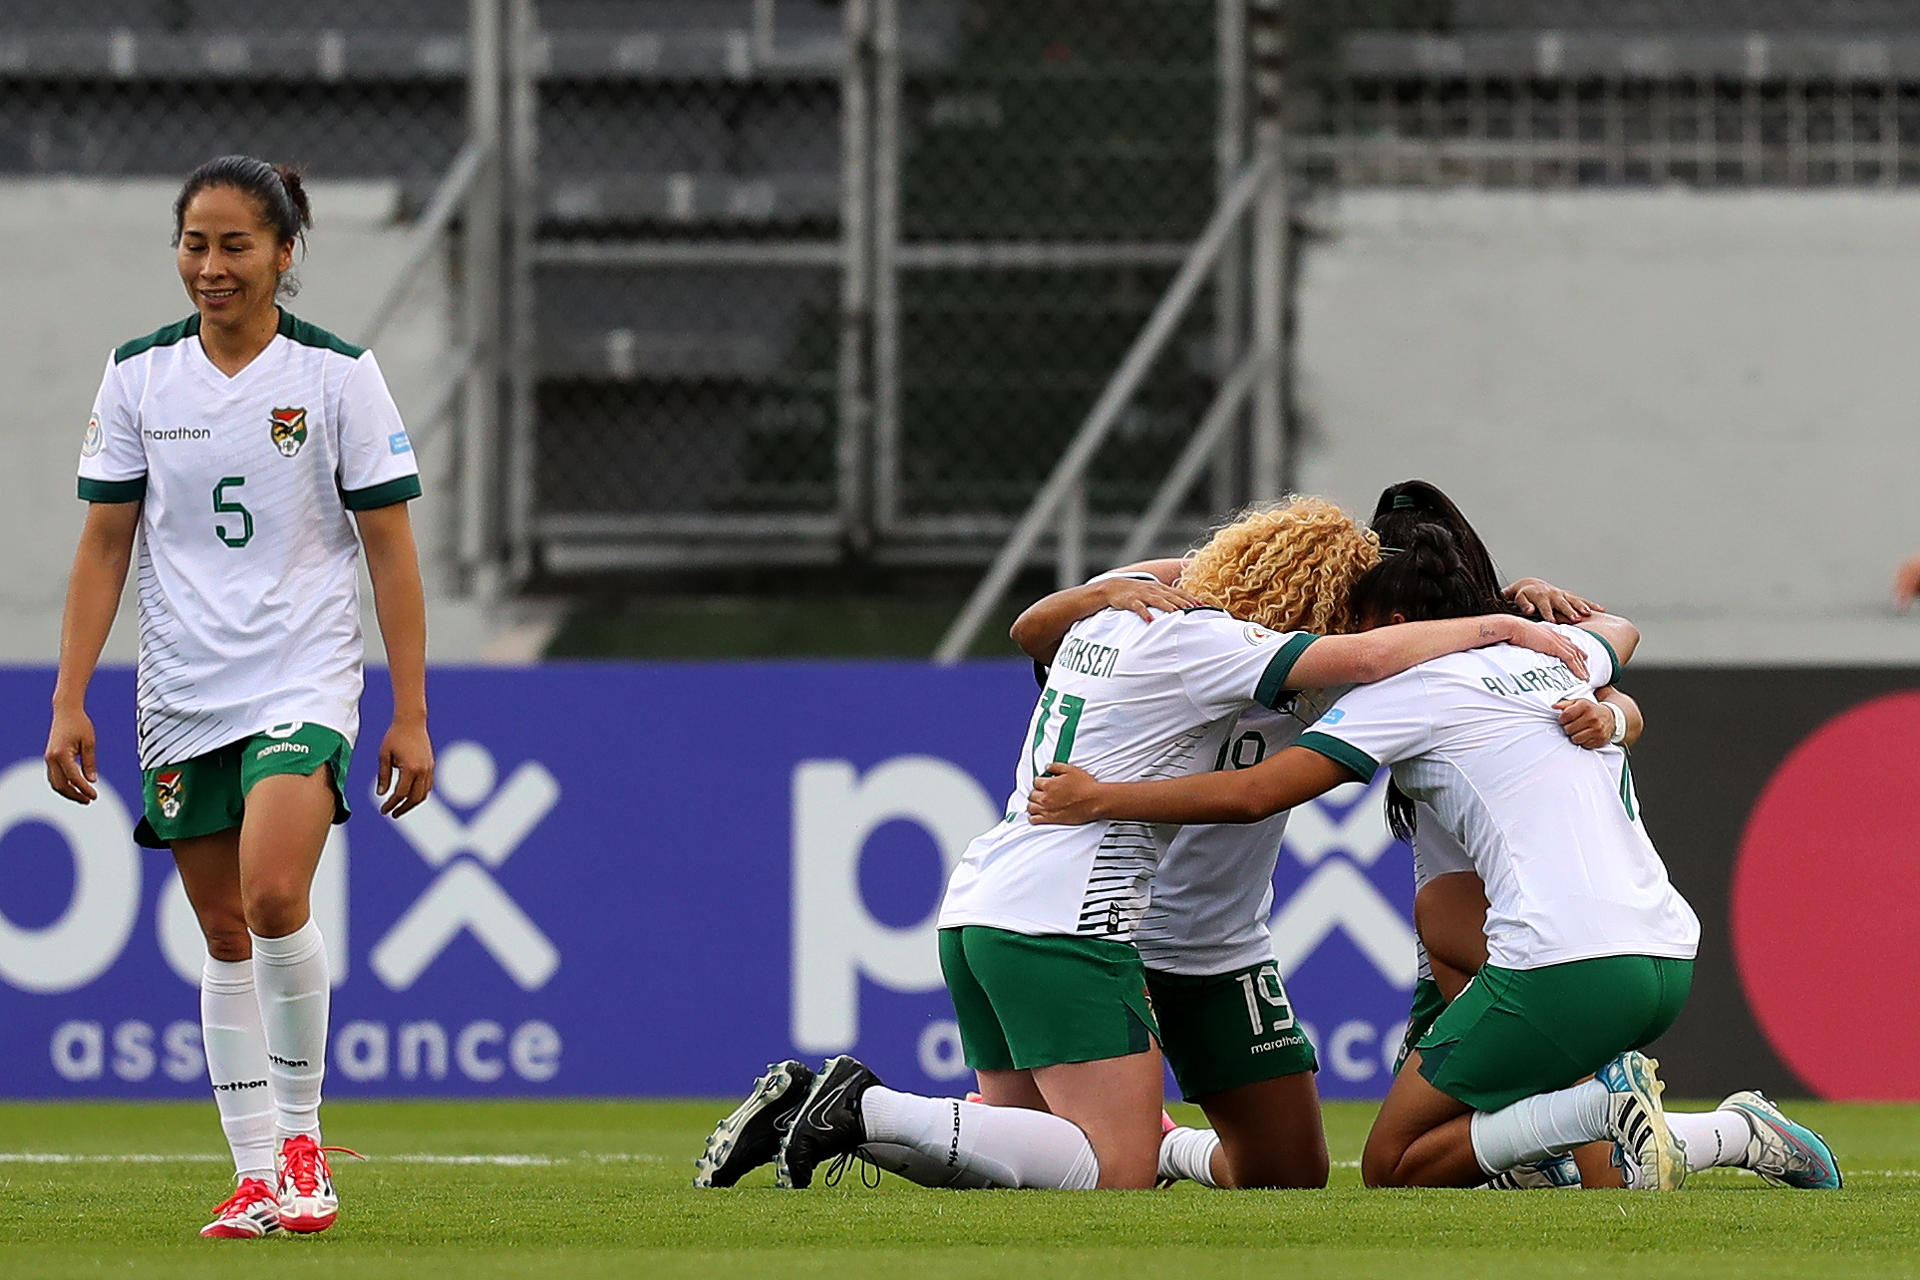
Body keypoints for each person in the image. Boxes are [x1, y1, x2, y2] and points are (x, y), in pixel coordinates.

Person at [696, 498, 1589, 1192]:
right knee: (1106, 1168)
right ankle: (863, 1104)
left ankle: (832, 1115)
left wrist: (1092, 591)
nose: (1358, 626)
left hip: (1003, 906)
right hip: (1076, 917)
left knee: (1027, 1161)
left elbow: (1031, 628)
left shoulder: (1139, 612)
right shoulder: (1212, 644)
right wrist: (1501, 628)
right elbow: (1348, 671)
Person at [1028, 523, 1841, 1191]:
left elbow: (1258, 793)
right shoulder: (1540, 657)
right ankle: (1675, 1133)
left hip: (1559, 961)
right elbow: (1618, 634)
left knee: (1396, 1164)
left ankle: (1649, 1118)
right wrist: (1599, 691)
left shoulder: (1394, 692)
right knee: (1508, 1099)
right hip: (1665, 950)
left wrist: (1102, 797)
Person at [44, 155, 435, 1239]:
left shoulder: (337, 378)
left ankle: (305, 1140)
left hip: (301, 674)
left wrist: (409, 708)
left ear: (283, 254)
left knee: (271, 893)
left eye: (235, 245)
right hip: (179, 688)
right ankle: (257, 1172)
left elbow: (392, 549)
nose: (211, 267)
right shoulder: (136, 377)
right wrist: (69, 695)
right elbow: (104, 541)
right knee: (221, 932)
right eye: (195, 244)